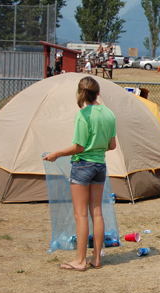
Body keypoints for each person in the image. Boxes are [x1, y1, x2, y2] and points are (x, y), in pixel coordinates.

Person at [43, 77, 116, 271]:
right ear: (97, 93)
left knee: (80, 214)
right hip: (100, 166)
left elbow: (79, 146)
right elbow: (112, 145)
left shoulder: (82, 115)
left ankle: (81, 261)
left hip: (82, 166)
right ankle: (96, 259)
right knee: (97, 212)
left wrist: (56, 154)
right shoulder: (109, 114)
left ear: (80, 93)